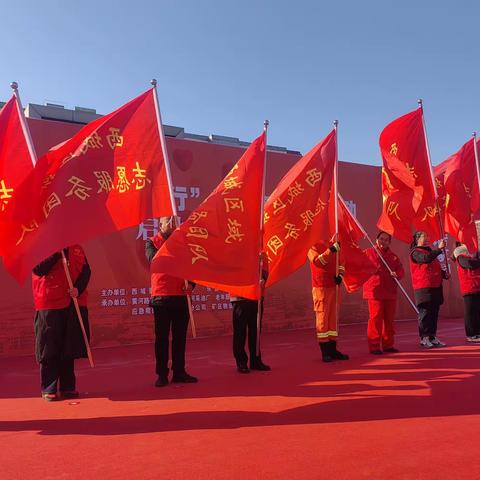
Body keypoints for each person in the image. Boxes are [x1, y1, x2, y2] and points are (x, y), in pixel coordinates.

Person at [32, 245, 91, 402]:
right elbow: (38, 269)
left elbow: (86, 270)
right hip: (49, 302)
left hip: (71, 301)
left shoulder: (76, 247)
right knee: (49, 347)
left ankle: (67, 387)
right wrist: (56, 253)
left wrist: (78, 288)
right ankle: (49, 387)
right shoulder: (41, 245)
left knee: (68, 346)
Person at [145, 216, 197, 387]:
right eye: (169, 221)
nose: (173, 224)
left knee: (179, 337)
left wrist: (191, 284)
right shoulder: (152, 242)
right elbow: (156, 261)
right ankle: (161, 373)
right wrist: (175, 244)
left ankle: (179, 371)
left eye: (175, 221)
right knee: (162, 338)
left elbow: (192, 266)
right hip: (161, 297)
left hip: (181, 296)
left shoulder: (183, 244)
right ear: (160, 225)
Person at [363, 231, 405, 354]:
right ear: (376, 240)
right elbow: (361, 267)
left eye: (386, 240)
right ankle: (374, 346)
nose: (383, 241)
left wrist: (396, 274)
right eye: (381, 239)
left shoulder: (393, 257)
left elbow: (401, 270)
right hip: (375, 292)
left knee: (389, 320)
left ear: (389, 242)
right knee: (375, 319)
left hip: (390, 292)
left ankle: (388, 344)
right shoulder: (368, 253)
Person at [308, 239, 349, 362]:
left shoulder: (334, 243)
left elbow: (341, 262)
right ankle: (325, 351)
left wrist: (341, 275)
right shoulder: (313, 246)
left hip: (334, 286)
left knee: (333, 319)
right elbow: (318, 262)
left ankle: (333, 349)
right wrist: (330, 251)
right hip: (321, 286)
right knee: (322, 318)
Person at [230, 254, 271, 374]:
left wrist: (263, 277)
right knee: (240, 331)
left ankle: (256, 360)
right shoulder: (234, 247)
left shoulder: (260, 251)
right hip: (240, 295)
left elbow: (266, 267)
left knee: (256, 330)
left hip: (256, 295)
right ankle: (241, 361)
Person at [410, 231, 449, 348]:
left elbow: (433, 267)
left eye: (428, 236)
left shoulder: (431, 251)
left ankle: (432, 336)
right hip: (423, 287)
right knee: (425, 313)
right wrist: (439, 249)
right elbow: (426, 259)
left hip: (435, 286)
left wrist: (444, 274)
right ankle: (424, 337)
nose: (427, 238)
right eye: (424, 236)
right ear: (417, 239)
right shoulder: (415, 252)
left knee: (434, 313)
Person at [453, 243, 480, 343]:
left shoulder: (473, 256)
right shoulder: (461, 257)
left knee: (477, 312)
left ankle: (477, 333)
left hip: (477, 287)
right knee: (470, 313)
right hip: (469, 288)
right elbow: (470, 264)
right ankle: (471, 334)